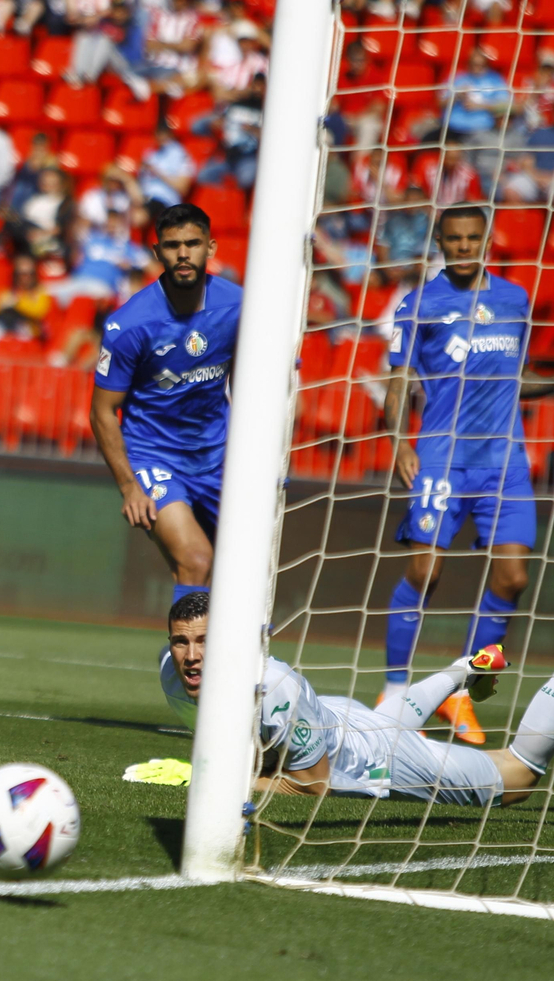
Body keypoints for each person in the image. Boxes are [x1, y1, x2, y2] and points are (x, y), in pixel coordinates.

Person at [382, 204, 541, 746]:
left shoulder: (514, 300)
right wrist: (399, 440)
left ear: (487, 239)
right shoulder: (420, 305)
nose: (465, 246)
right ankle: (394, 688)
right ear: (441, 242)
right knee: (426, 572)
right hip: (442, 458)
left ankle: (465, 694)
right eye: (455, 239)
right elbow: (399, 383)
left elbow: (517, 382)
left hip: (505, 462)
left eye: (474, 238)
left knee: (514, 579)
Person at [161, 591, 552, 806]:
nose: (191, 657)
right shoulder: (172, 673)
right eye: (181, 642)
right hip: (338, 719)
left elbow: (313, 786)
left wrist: (224, 780)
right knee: (386, 725)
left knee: (519, 777)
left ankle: (469, 672)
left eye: (205, 641)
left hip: (373, 760)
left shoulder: (274, 687)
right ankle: (467, 668)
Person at [88, 202, 242, 608]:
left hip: (216, 456)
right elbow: (103, 410)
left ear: (210, 247)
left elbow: (248, 382)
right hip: (154, 456)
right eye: (172, 246)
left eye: (193, 243)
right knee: (195, 559)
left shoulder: (238, 305)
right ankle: (188, 670)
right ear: (158, 253)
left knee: (243, 568)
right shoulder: (130, 325)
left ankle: (214, 666)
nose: (183, 254)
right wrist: (129, 486)